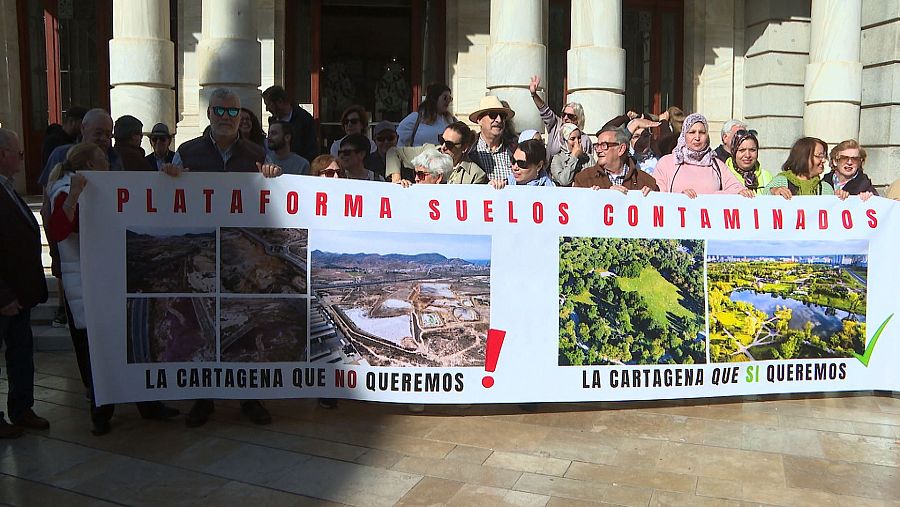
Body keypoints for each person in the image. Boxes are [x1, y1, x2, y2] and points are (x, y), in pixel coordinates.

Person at [162, 87, 283, 427]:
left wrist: (272, 177)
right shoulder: (187, 152)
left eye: (234, 112)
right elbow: (167, 197)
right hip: (203, 253)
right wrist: (170, 179)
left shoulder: (258, 153)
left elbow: (274, 198)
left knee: (244, 322)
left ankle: (250, 398)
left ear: (241, 115)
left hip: (241, 257)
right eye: (220, 111)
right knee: (205, 325)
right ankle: (204, 400)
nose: (227, 118)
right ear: (209, 113)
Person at [47, 143, 180, 435]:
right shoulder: (65, 190)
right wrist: (74, 196)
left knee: (134, 342)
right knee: (101, 350)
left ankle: (147, 404)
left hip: (110, 279)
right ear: (91, 167)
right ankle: (102, 410)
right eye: (104, 163)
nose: (109, 169)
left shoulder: (94, 188)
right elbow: (59, 230)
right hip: (87, 282)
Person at [0, 128, 50, 438]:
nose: (21, 160)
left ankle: (22, 408)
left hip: (19, 295)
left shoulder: (7, 188)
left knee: (21, 354)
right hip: (5, 297)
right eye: (18, 154)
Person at [653, 113, 753, 198]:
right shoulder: (667, 163)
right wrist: (680, 198)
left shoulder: (716, 164)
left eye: (702, 132)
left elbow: (735, 188)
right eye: (692, 132)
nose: (697, 137)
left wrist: (737, 193)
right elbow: (657, 196)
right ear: (684, 135)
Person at [387, 121, 487, 185]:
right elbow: (393, 152)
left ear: (464, 148)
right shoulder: (429, 151)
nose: (443, 147)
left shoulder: (475, 174)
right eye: (441, 140)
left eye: (449, 144)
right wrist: (396, 179)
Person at [41, 108, 122, 186]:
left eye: (108, 135)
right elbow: (47, 189)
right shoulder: (61, 154)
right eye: (98, 133)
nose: (103, 138)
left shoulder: (114, 158)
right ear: (83, 129)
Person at [574, 126, 658, 194]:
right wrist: (596, 197)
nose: (598, 150)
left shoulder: (647, 182)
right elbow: (577, 210)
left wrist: (651, 198)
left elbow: (659, 210)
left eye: (604, 145)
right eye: (597, 145)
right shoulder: (584, 179)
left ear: (621, 149)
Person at [528, 76, 592, 159]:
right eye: (563, 114)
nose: (565, 118)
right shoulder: (556, 126)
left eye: (570, 116)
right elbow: (544, 110)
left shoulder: (584, 139)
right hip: (552, 171)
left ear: (578, 119)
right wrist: (534, 94)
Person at [763, 137, 836, 199]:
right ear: (804, 157)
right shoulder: (781, 181)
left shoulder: (825, 188)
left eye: (823, 156)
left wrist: (841, 198)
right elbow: (763, 201)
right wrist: (773, 191)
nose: (823, 160)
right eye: (819, 156)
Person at [262, 85, 319, 162]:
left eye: (269, 104)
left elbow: (311, 148)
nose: (267, 109)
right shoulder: (273, 120)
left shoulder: (304, 118)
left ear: (280, 102)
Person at [468, 96, 516, 181]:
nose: (499, 120)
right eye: (493, 115)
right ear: (480, 120)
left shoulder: (515, 149)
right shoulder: (468, 150)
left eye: (502, 116)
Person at [490, 139, 554, 188]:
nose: (515, 167)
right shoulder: (505, 185)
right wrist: (491, 189)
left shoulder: (552, 191)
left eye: (522, 163)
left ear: (539, 166)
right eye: (513, 161)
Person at [725, 129, 772, 195]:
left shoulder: (767, 176)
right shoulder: (722, 175)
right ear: (734, 152)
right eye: (742, 150)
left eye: (752, 150)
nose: (747, 155)